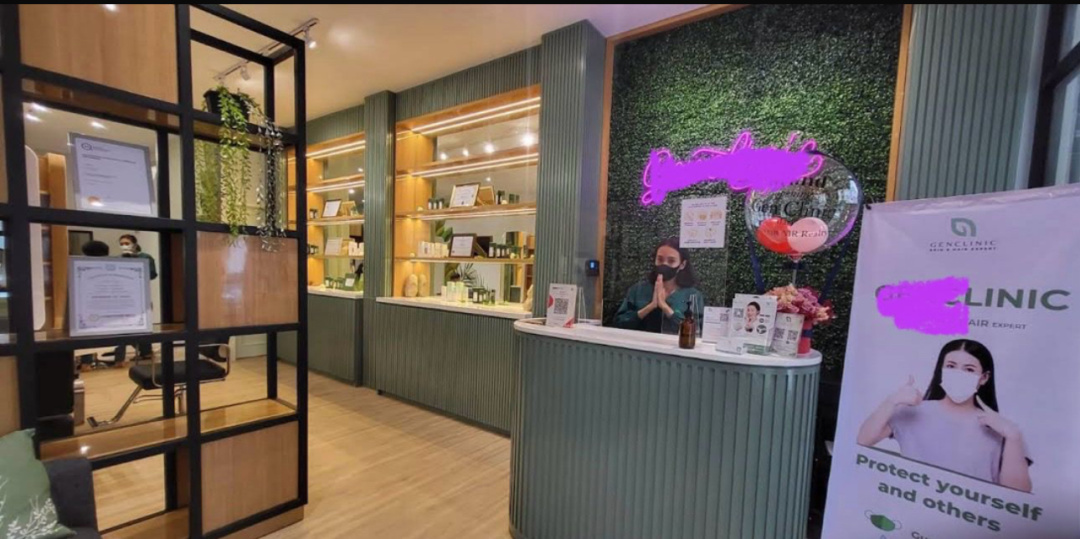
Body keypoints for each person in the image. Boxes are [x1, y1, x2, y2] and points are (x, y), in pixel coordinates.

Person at [857, 339, 1032, 492]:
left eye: (969, 369)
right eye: (951, 366)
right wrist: (891, 401)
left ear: (984, 377)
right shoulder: (913, 411)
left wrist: (1013, 436)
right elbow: (863, 441)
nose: (958, 374)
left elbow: (1017, 492)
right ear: (940, 370)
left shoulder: (1000, 427)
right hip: (913, 503)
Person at [613, 237, 704, 334]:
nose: (664, 264)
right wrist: (650, 306)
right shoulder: (638, 290)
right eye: (660, 259)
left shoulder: (692, 295)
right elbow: (619, 323)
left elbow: (695, 331)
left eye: (671, 261)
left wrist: (665, 307)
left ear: (682, 264)